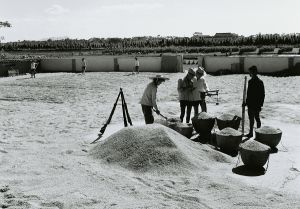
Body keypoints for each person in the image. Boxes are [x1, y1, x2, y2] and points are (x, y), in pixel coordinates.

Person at [243, 65, 265, 138]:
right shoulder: (250, 81)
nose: (250, 73)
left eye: (251, 72)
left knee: (257, 118)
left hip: (256, 104)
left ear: (254, 72)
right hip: (250, 104)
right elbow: (248, 94)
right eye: (250, 72)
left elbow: (262, 95)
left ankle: (258, 134)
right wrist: (246, 103)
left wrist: (260, 105)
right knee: (251, 119)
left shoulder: (260, 82)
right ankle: (251, 133)